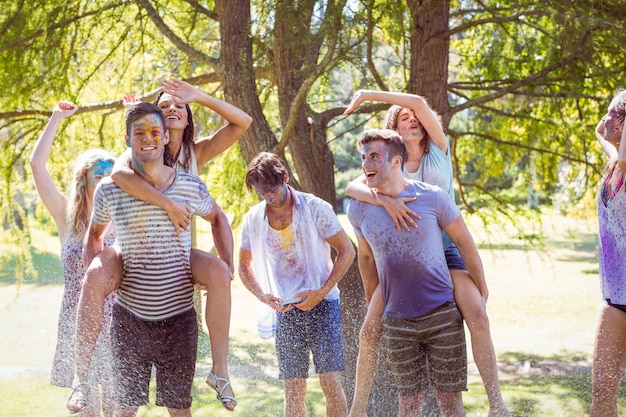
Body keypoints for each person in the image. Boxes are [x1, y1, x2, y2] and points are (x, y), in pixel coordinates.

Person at [69, 79, 251, 413]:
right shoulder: (134, 153)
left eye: (179, 105)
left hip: (179, 257)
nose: (171, 110)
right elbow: (120, 180)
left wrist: (197, 95)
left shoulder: (194, 156)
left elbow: (242, 123)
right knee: (95, 274)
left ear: (173, 128)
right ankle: (80, 377)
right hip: (135, 250)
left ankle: (220, 372)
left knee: (217, 271)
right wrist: (167, 204)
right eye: (164, 105)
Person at [343, 90, 510, 417]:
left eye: (417, 117)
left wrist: (367, 95)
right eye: (405, 118)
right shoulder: (384, 163)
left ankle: (497, 405)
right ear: (394, 132)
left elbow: (419, 102)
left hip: (446, 254)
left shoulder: (438, 153)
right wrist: (384, 200)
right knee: (369, 329)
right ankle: (357, 410)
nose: (415, 119)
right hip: (403, 266)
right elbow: (354, 187)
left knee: (478, 315)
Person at [238, 152, 355, 417]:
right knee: (293, 388)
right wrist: (263, 296)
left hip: (324, 306)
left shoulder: (315, 208)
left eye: (273, 191)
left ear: (286, 178)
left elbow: (347, 251)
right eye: (262, 193)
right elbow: (243, 267)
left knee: (330, 382)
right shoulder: (254, 219)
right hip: (286, 312)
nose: (269, 198)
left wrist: (321, 293)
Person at [30, 101, 116, 417]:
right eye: (99, 176)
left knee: (116, 407)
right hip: (76, 318)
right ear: (85, 179)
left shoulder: (123, 216)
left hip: (117, 319)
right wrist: (56, 118)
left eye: (112, 176)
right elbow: (37, 166)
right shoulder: (67, 217)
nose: (106, 181)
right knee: (87, 410)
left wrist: (133, 116)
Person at [589, 90, 626, 417]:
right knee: (602, 394)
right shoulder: (615, 165)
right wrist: (600, 133)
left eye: (612, 113)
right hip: (615, 297)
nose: (607, 117)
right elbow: (609, 145)